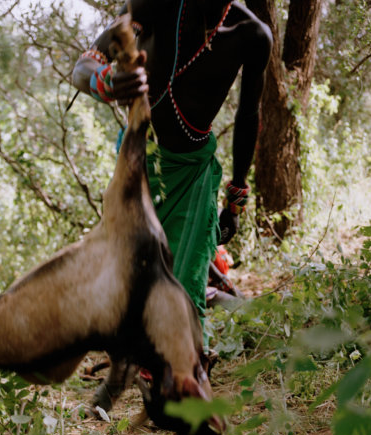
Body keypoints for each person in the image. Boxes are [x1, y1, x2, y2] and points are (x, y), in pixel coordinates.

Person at [72, 0, 271, 333]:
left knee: (184, 291)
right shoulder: (153, 9)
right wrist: (104, 82)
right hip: (137, 166)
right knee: (135, 273)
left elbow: (248, 116)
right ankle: (137, 364)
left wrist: (235, 200)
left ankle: (182, 364)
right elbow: (83, 68)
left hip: (193, 178)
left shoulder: (251, 35)